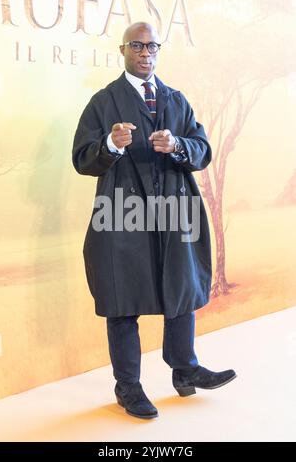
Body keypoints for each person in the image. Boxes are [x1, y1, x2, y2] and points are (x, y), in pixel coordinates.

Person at [72, 22, 236, 420]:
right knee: (122, 297)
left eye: (152, 46)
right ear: (123, 49)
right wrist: (111, 144)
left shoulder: (176, 100)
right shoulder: (104, 102)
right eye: (137, 45)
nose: (146, 53)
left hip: (173, 212)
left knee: (180, 288)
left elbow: (203, 149)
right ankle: (128, 385)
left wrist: (179, 145)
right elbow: (82, 158)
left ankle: (185, 369)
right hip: (122, 214)